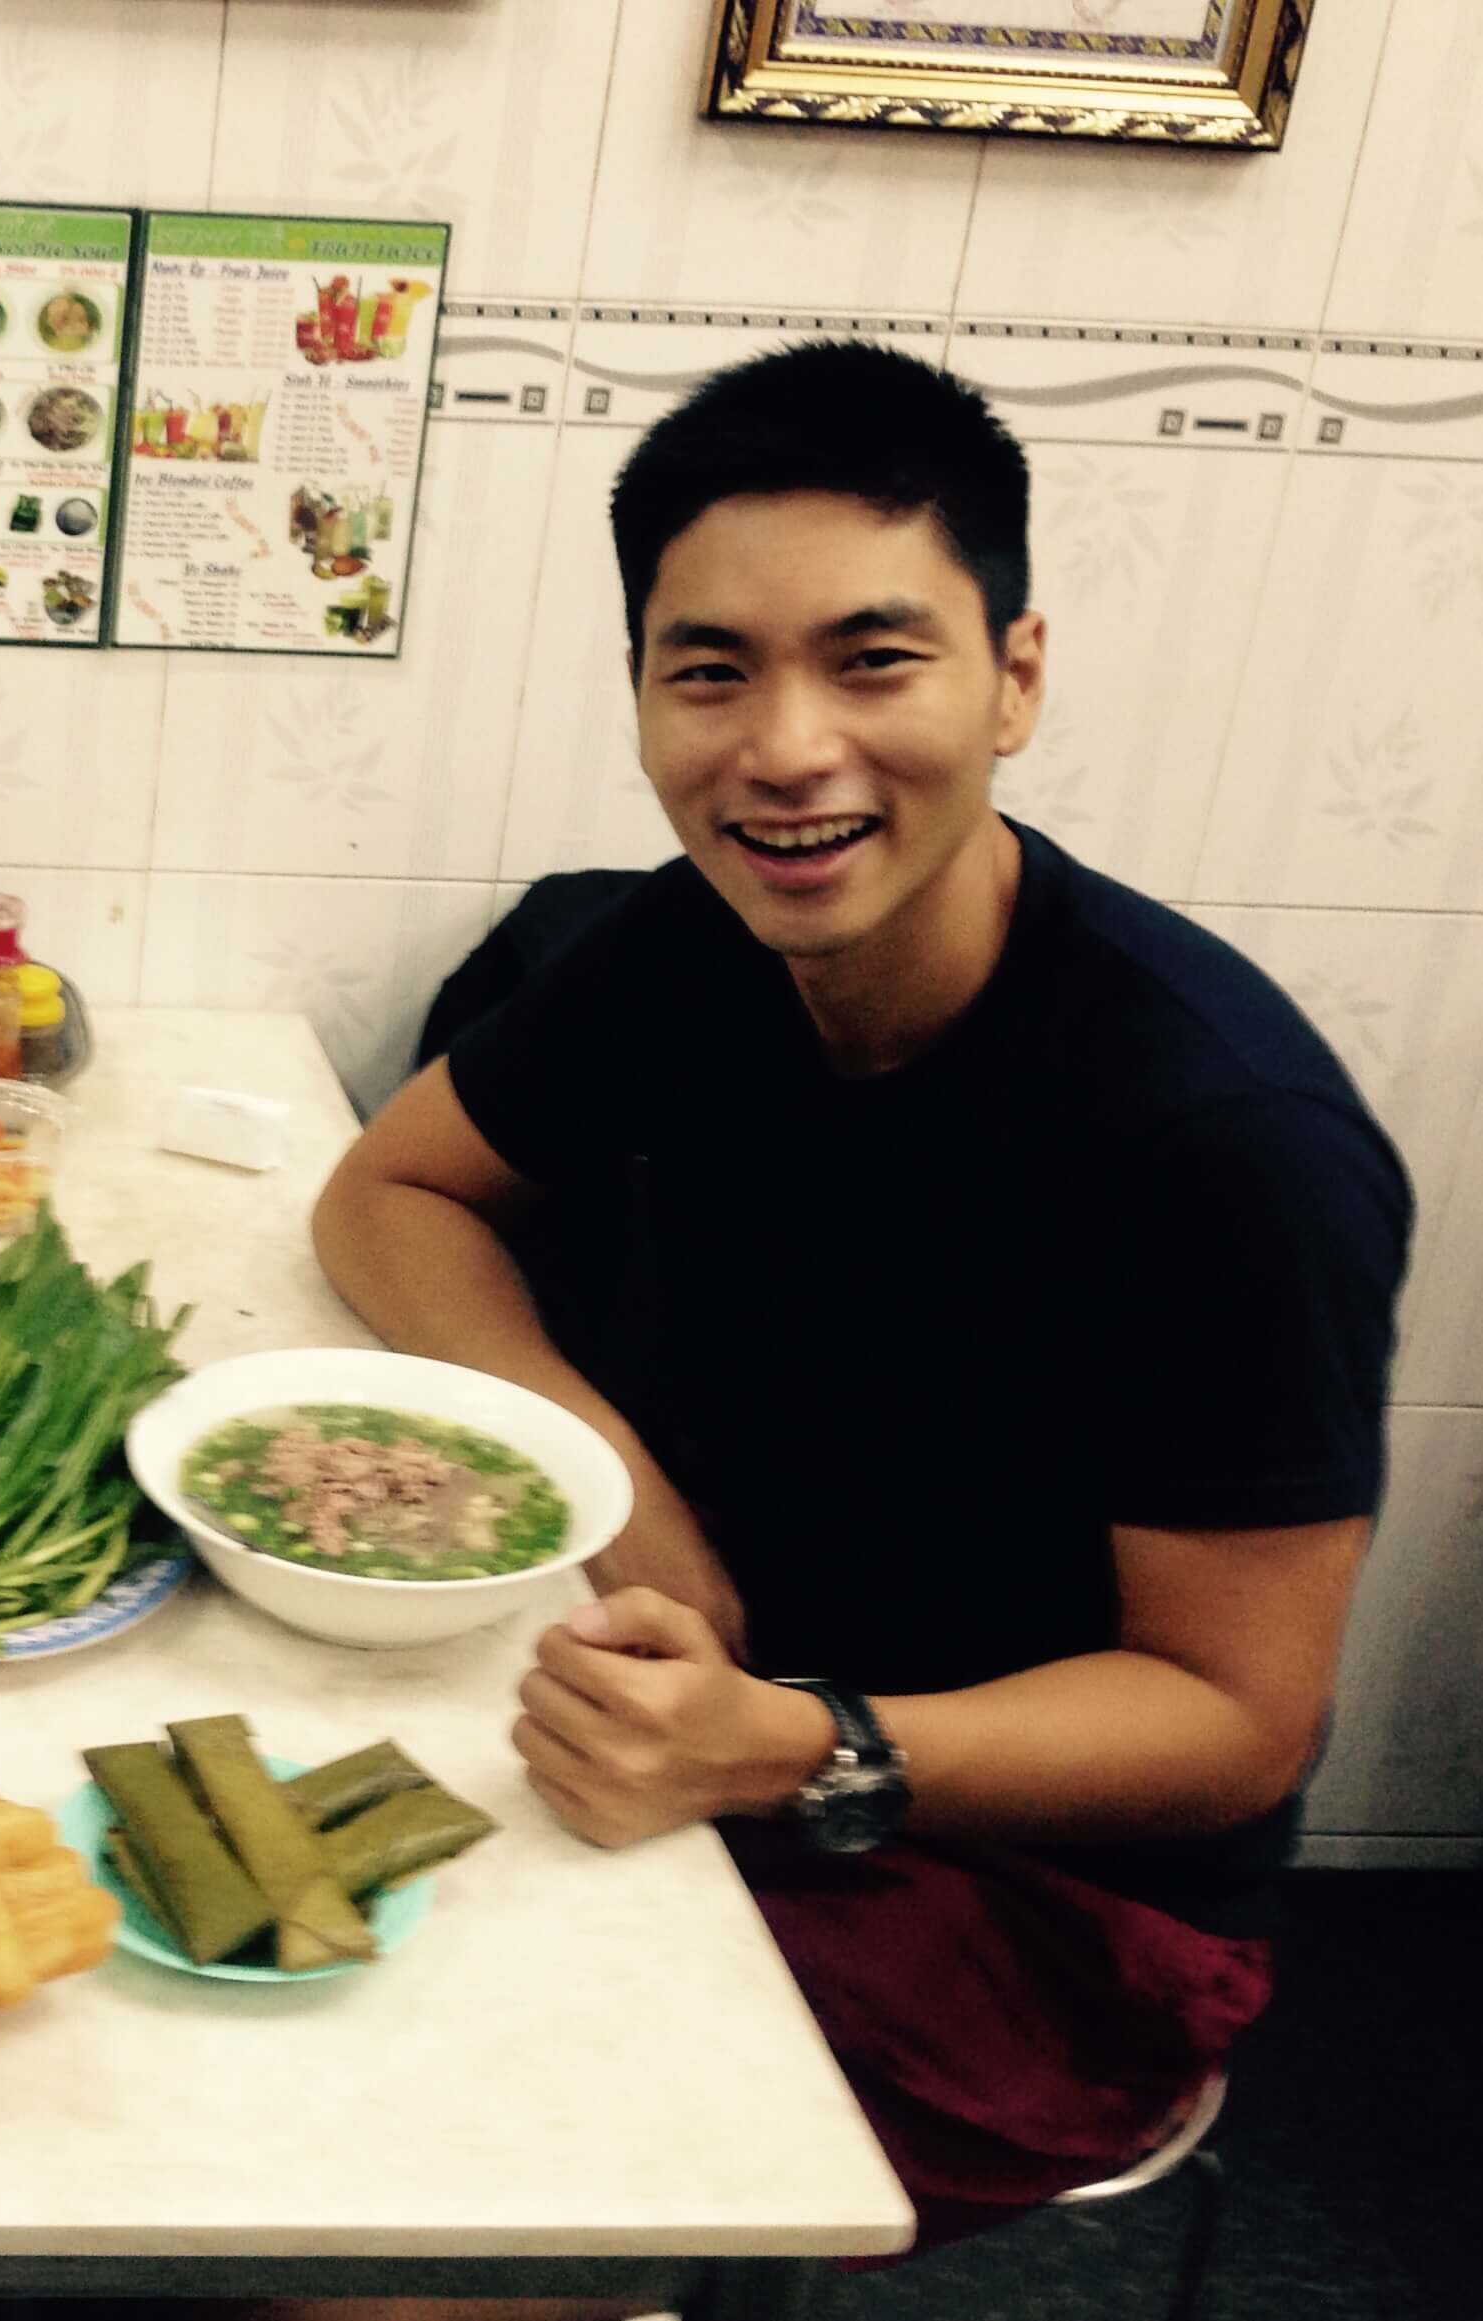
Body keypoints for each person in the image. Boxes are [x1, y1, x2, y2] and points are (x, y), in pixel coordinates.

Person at [311, 340, 1410, 2251]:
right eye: (709, 669)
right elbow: (394, 1189)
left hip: (1054, 1906)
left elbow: (1233, 1716)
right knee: (257, 1991)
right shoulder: (693, 943)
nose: (786, 749)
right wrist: (633, 1509)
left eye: (873, 658)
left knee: (401, 2200)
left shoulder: (1219, 1141)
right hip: (697, 1723)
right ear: (642, 697)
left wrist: (807, 1739)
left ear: (1017, 679)